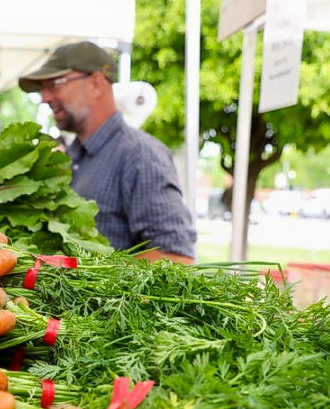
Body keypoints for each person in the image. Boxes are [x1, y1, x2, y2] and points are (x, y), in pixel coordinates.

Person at [19, 41, 197, 264]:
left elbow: (176, 256)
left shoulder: (140, 155)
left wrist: (87, 275)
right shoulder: (73, 156)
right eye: (42, 89)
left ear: (95, 83)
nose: (45, 98)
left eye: (55, 84)